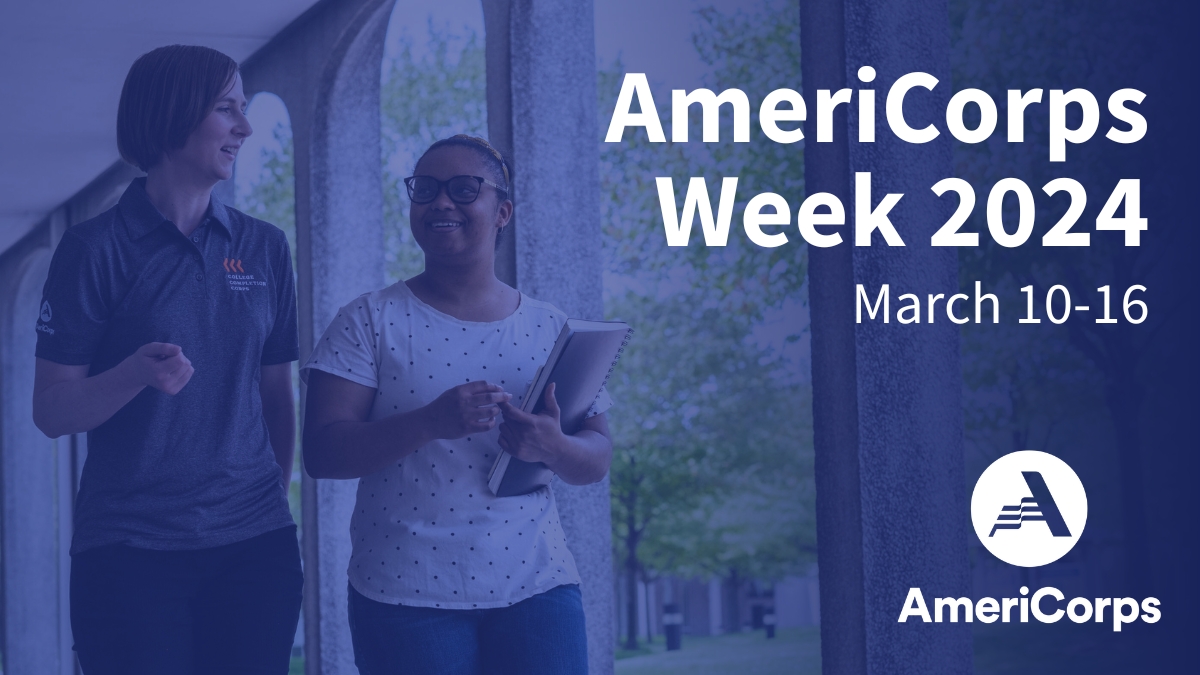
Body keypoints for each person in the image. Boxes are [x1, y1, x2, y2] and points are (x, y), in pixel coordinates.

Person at [32, 45, 302, 674]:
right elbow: (50, 411)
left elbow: (275, 396)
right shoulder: (92, 249)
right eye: (226, 109)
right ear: (172, 114)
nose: (245, 127)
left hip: (255, 547)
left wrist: (270, 505)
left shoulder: (265, 247)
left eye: (243, 108)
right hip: (129, 551)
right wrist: (132, 375)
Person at [302, 135, 612, 675]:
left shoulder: (550, 327)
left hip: (538, 590)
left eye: (464, 189)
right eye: (425, 189)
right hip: (405, 596)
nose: (440, 202)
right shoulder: (368, 320)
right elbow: (322, 454)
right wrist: (430, 422)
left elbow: (597, 458)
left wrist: (554, 446)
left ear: (502, 212)